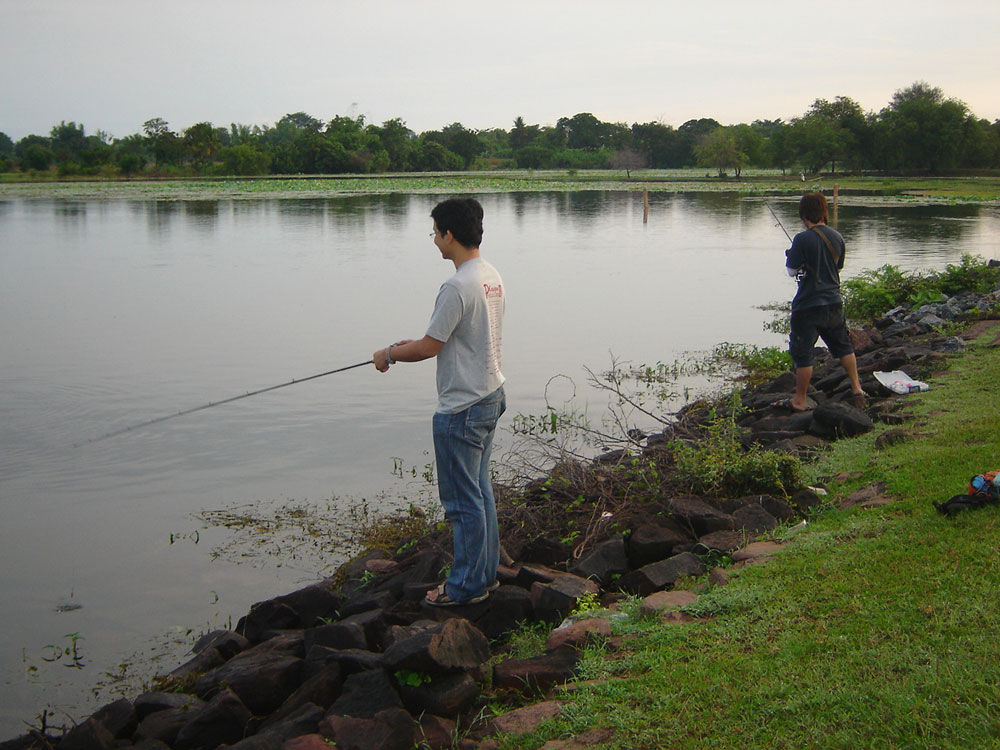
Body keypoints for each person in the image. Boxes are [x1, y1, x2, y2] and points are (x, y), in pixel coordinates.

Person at [373, 197, 506, 607]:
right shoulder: (490, 275)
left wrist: (390, 355)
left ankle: (464, 588)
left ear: (449, 234)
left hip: (462, 408)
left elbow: (429, 348)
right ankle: (485, 575)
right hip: (490, 393)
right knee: (480, 492)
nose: (433, 240)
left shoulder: (456, 285)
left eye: (434, 232)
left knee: (462, 503)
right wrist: (408, 344)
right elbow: (450, 337)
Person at [783, 192, 865, 411]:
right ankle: (857, 388)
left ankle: (800, 399)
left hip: (808, 304)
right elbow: (837, 267)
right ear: (823, 212)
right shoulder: (837, 237)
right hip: (834, 301)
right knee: (843, 346)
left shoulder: (802, 239)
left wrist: (791, 255)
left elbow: (791, 271)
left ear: (803, 214)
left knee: (803, 352)